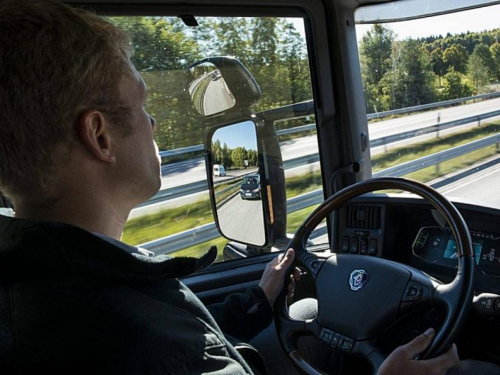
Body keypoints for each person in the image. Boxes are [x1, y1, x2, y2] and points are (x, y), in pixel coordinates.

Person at [0, 1, 491, 374]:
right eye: (141, 103)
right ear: (99, 135)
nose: (152, 121)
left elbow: (195, 338)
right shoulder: (138, 337)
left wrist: (258, 299)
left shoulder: (54, 291)